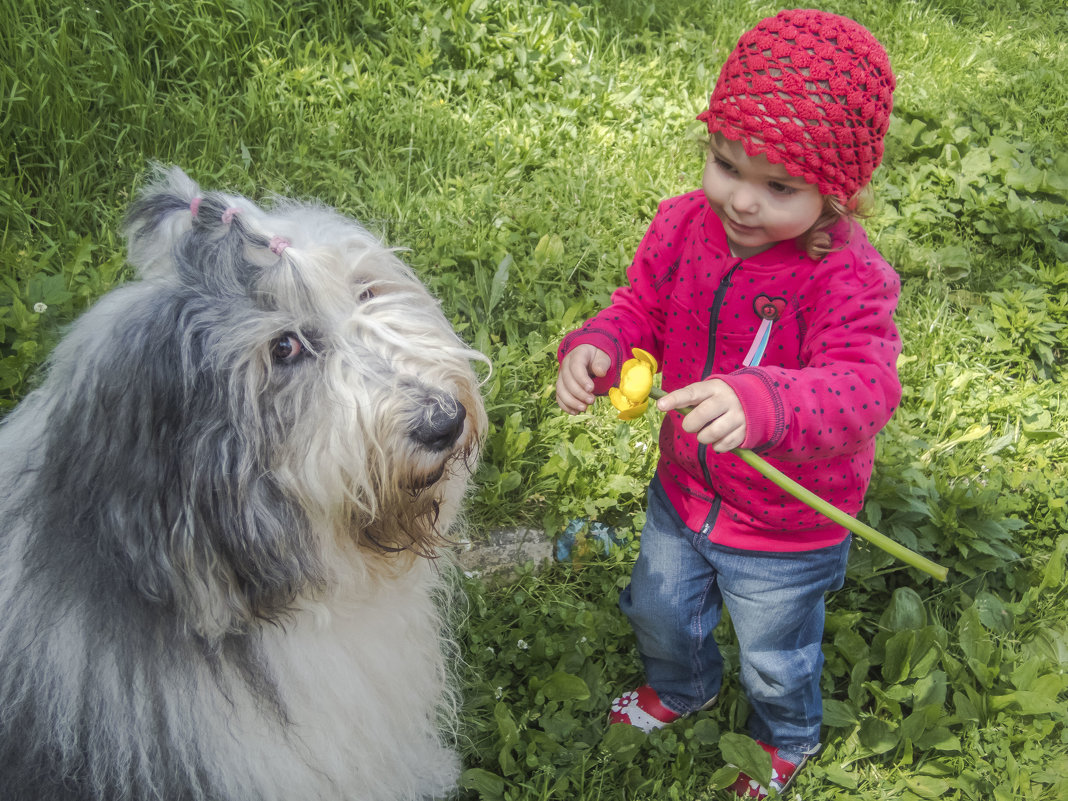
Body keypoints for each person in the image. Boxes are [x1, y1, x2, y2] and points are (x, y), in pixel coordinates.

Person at [555, 9, 900, 799]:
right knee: (658, 607)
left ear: (837, 192)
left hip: (786, 526)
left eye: (779, 187)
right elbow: (639, 305)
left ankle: (787, 735)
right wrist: (602, 344)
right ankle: (683, 685)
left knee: (777, 652)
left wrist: (767, 401)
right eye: (726, 164)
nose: (742, 201)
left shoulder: (844, 276)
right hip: (684, 491)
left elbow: (866, 385)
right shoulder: (684, 226)